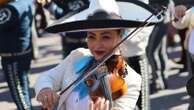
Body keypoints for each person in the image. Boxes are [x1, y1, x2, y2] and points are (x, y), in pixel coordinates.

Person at [34, 0, 151, 109]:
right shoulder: (77, 56)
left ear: (120, 36)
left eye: (106, 37)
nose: (97, 45)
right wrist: (45, 89)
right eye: (91, 37)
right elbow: (46, 77)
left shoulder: (131, 80)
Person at [0, 0, 33, 109]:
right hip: (19, 55)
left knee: (20, 96)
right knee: (23, 92)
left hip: (13, 59)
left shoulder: (10, 8)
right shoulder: (23, 2)